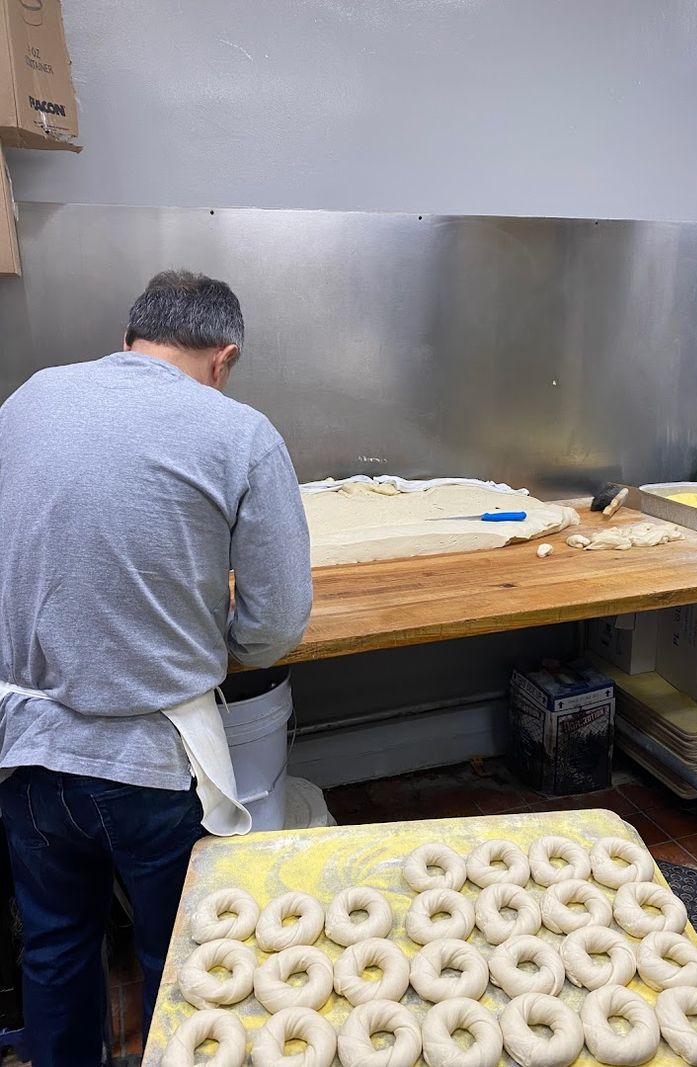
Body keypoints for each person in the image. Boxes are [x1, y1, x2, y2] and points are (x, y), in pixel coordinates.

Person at [0, 270, 313, 1066]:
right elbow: (276, 624)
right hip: (150, 762)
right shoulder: (239, 430)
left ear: (130, 341)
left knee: (56, 948)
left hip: (26, 748)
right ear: (224, 357)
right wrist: (210, 632)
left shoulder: (29, 397)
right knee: (182, 960)